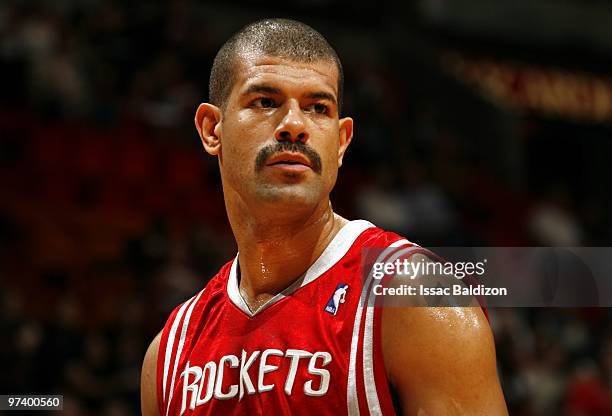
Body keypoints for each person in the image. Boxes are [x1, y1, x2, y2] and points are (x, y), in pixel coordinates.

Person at [141, 18, 508, 415]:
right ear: (212, 129)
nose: (295, 126)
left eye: (318, 108)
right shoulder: (170, 353)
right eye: (265, 101)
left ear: (342, 141)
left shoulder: (415, 298)